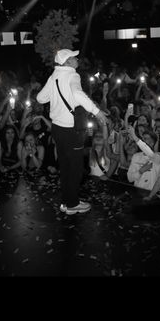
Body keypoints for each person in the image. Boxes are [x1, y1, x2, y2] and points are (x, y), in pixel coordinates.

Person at [36, 49, 108, 215]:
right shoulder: (73, 75)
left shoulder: (54, 76)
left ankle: (67, 201)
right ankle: (72, 204)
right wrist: (97, 112)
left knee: (66, 167)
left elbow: (40, 98)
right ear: (67, 62)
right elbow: (77, 94)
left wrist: (57, 99)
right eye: (74, 57)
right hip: (70, 130)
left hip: (57, 128)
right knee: (75, 168)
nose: (77, 59)